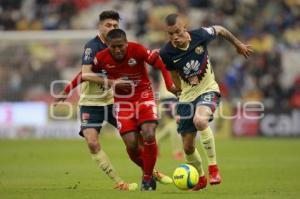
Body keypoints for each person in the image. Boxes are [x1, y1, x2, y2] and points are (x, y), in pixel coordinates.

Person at [55, 11, 173, 190]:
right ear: (100, 26)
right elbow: (85, 74)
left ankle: (149, 174)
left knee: (141, 139)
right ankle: (121, 182)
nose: (111, 28)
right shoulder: (92, 48)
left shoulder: (125, 46)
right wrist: (68, 89)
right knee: (93, 142)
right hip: (91, 102)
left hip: (114, 101)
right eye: (108, 25)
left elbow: (151, 60)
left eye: (115, 26)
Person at [159, 13, 253, 191]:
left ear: (184, 26)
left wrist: (238, 44)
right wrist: (177, 90)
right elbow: (173, 76)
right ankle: (200, 178)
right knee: (187, 148)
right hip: (186, 97)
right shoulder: (167, 52)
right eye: (170, 34)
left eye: (177, 32)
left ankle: (213, 169)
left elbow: (221, 30)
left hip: (208, 90)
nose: (174, 37)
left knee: (200, 120)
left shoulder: (200, 35)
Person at [81, 28, 177, 191]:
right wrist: (68, 89)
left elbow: (159, 63)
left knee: (148, 132)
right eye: (113, 47)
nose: (117, 50)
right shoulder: (101, 58)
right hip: (122, 103)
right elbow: (86, 74)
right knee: (132, 145)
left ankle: (147, 179)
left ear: (126, 43)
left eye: (120, 46)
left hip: (144, 96)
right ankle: (151, 172)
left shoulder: (137, 49)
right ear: (108, 46)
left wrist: (169, 85)